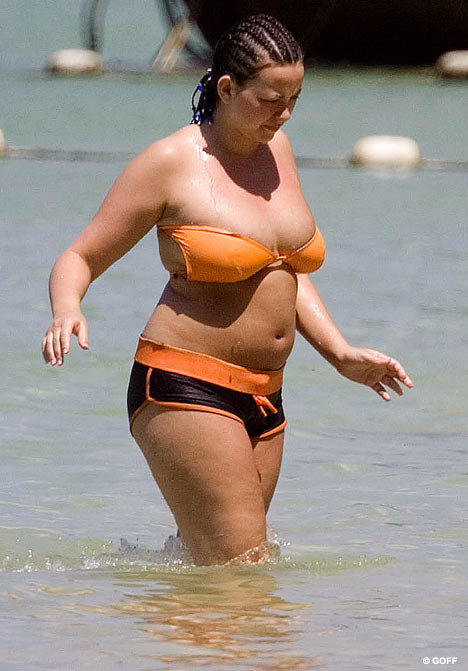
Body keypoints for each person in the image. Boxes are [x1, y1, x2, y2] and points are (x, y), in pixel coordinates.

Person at [42, 14, 413, 566]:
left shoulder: (278, 152)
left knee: (219, 575)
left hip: (266, 395)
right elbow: (80, 256)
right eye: (271, 100)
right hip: (185, 384)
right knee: (244, 571)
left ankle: (137, 616)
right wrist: (66, 308)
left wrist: (339, 353)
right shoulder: (171, 162)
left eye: (295, 99)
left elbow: (283, 267)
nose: (284, 115)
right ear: (226, 88)